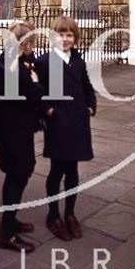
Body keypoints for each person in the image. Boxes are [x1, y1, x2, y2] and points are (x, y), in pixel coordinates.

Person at [35, 15, 96, 242]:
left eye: (69, 34)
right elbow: (37, 91)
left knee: (73, 170)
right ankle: (53, 216)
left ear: (75, 37)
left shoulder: (77, 59)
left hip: (78, 121)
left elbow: (87, 85)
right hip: (59, 123)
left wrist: (90, 105)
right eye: (60, 34)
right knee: (57, 169)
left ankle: (70, 214)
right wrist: (48, 110)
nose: (65, 39)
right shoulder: (44, 62)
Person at [0, 22, 44, 253]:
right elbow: (34, 95)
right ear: (27, 43)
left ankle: (9, 220)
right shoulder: (15, 67)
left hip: (8, 128)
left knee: (15, 173)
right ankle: (7, 233)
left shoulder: (5, 60)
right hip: (14, 130)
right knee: (20, 173)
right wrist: (36, 82)